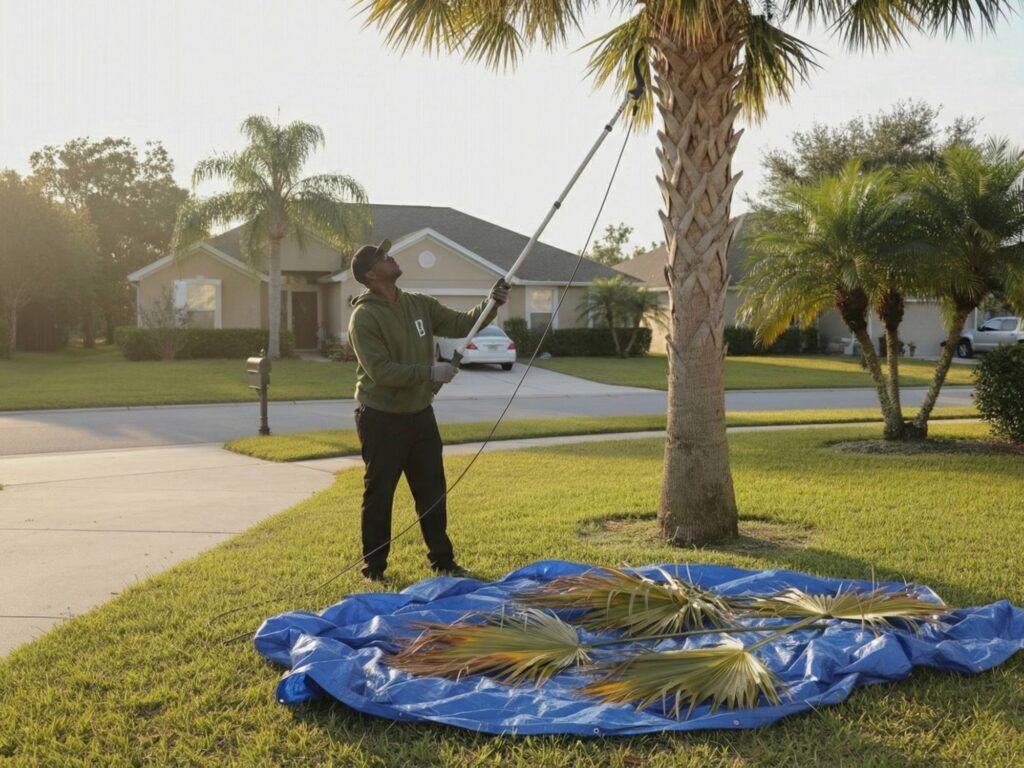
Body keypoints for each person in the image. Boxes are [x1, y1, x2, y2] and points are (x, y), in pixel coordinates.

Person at [347, 238, 510, 582]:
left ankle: (443, 561)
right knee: (380, 494)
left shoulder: (418, 304)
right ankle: (374, 569)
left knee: (432, 490)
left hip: (420, 414)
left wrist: (491, 304)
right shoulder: (364, 317)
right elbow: (382, 371)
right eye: (383, 257)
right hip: (381, 418)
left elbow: (461, 324)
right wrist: (430, 373)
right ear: (371, 274)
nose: (391, 257)